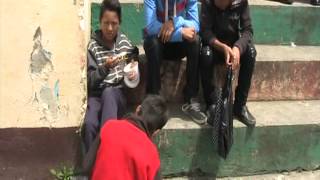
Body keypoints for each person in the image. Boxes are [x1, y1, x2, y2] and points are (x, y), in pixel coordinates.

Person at [83, 0, 139, 151]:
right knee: (89, 125)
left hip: (117, 94)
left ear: (119, 23)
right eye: (106, 23)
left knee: (109, 94)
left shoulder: (125, 44)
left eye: (114, 23)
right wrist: (105, 68)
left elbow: (131, 77)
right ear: (99, 22)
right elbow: (90, 81)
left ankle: (108, 155)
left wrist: (132, 76)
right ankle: (92, 170)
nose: (109, 28)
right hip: (96, 95)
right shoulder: (92, 47)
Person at [143, 0, 207, 124]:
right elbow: (150, 27)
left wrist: (176, 22)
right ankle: (153, 99)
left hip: (179, 46)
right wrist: (180, 32)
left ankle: (191, 98)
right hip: (159, 43)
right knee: (152, 43)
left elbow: (196, 25)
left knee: (195, 41)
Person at [82, 95, 168, 180]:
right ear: (156, 132)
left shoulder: (109, 127)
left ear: (138, 109)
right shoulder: (152, 154)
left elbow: (86, 167)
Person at [200, 0, 257, 127]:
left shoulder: (241, 2)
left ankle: (240, 106)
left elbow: (248, 30)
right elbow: (205, 32)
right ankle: (211, 105)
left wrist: (237, 48)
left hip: (233, 46)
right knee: (205, 54)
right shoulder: (208, 3)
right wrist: (221, 47)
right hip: (214, 46)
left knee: (251, 53)